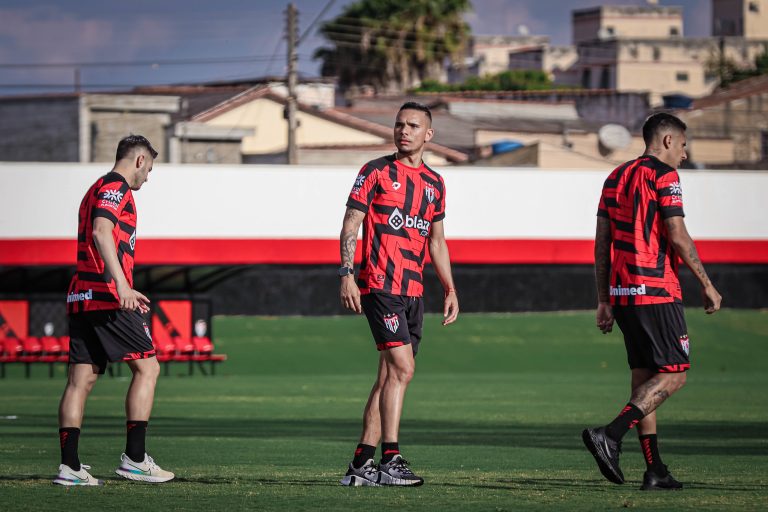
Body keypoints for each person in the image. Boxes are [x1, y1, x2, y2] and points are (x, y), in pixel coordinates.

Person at [583, 113, 722, 490]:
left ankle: (654, 469)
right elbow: (676, 234)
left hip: (624, 291)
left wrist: (603, 299)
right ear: (665, 141)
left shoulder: (614, 177)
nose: (684, 151)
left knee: (645, 381)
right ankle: (609, 435)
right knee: (675, 375)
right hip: (657, 289)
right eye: (682, 143)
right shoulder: (665, 176)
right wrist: (706, 283)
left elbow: (601, 243)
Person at [338, 102, 459, 487]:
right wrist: (346, 274)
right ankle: (390, 457)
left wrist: (450, 288)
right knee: (403, 369)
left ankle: (360, 464)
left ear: (428, 134)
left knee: (389, 376)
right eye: (398, 124)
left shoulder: (435, 184)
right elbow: (350, 226)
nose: (403, 131)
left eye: (412, 125)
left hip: (414, 291)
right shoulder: (375, 171)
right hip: (379, 285)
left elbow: (437, 242)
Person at [54, 135, 174, 486]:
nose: (148, 178)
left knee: (81, 380)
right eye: (149, 169)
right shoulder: (115, 187)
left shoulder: (94, 187)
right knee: (148, 368)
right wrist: (122, 284)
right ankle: (135, 459)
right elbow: (101, 231)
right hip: (107, 295)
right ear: (138, 161)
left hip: (81, 295)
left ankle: (70, 468)